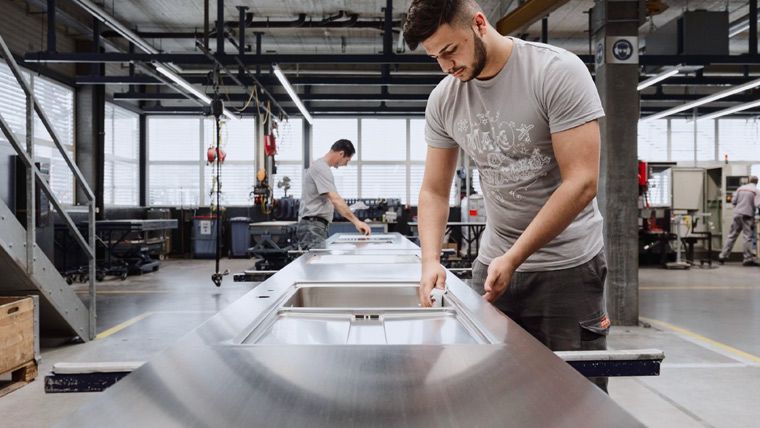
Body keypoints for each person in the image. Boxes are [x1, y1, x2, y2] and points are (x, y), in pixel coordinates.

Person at [404, 0, 609, 390]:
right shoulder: (444, 100)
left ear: (479, 24)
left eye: (451, 50)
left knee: (577, 399)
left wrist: (515, 256)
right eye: (436, 58)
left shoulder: (555, 72)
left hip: (566, 268)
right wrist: (430, 259)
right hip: (493, 267)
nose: (447, 66)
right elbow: (433, 190)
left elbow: (581, 182)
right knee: (492, 391)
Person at [297, 139, 371, 250]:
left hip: (316, 227)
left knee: (321, 264)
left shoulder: (321, 167)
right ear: (341, 154)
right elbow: (335, 199)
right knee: (318, 266)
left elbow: (333, 203)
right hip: (313, 227)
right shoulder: (321, 168)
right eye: (347, 160)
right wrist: (356, 222)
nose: (346, 164)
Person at [719, 176, 760, 266]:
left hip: (737, 214)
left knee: (732, 235)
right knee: (747, 237)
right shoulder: (756, 191)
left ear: (749, 181)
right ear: (757, 182)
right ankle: (747, 259)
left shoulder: (740, 188)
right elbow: (758, 204)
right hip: (747, 215)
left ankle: (723, 256)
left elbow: (733, 201)